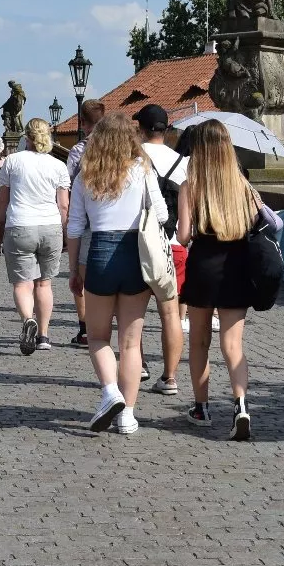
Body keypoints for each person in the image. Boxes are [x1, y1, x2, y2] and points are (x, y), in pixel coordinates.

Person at [66, 113, 165, 435]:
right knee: (132, 343)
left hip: (100, 254)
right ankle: (128, 415)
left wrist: (73, 270)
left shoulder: (85, 176)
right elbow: (161, 213)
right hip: (135, 255)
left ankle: (110, 392)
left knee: (97, 337)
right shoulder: (143, 170)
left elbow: (76, 226)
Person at [176, 119, 257, 440]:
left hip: (203, 265)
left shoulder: (191, 185)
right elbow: (252, 223)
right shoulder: (242, 185)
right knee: (233, 344)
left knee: (199, 341)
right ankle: (240, 405)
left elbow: (183, 235)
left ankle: (202, 407)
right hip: (236, 264)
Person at [0, 118, 69, 355]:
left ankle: (28, 319)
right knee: (44, 282)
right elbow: (64, 205)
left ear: (26, 138)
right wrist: (65, 232)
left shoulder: (13, 161)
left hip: (20, 225)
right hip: (49, 226)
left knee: (22, 283)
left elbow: (2, 200)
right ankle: (44, 335)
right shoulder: (58, 165)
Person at [135, 104, 188, 396]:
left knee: (134, 312)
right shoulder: (183, 161)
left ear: (140, 128)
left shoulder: (133, 157)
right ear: (166, 130)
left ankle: (139, 363)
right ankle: (170, 378)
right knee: (171, 315)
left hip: (140, 243)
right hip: (175, 245)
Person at [64, 98, 106, 346]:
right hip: (113, 220)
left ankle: (85, 327)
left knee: (81, 275)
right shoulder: (117, 149)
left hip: (87, 219)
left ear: (83, 121)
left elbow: (68, 182)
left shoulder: (79, 150)